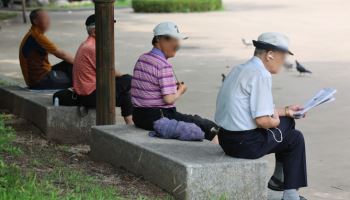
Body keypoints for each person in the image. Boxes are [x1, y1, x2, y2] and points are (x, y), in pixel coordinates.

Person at [215, 33, 307, 200]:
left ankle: (284, 185)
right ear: (270, 54)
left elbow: (254, 109)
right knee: (289, 127)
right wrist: (277, 121)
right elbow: (263, 120)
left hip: (225, 138)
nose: (284, 61)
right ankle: (281, 183)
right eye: (283, 56)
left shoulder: (240, 69)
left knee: (294, 137)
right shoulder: (261, 74)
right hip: (244, 144)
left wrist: (286, 110)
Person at [131, 22, 219, 142]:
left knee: (194, 120)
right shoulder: (163, 65)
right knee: (208, 126)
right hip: (159, 117)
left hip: (139, 117)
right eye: (174, 40)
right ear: (159, 40)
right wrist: (180, 91)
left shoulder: (143, 58)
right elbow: (169, 99)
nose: (177, 45)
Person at [73, 14, 133, 125]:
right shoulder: (93, 48)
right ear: (95, 32)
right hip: (90, 96)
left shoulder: (89, 44)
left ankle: (130, 124)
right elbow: (112, 72)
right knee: (129, 80)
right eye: (107, 27)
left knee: (125, 94)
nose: (111, 30)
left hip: (91, 92)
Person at [19, 9, 75, 89]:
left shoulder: (34, 33)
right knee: (74, 78)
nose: (49, 21)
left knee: (69, 64)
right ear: (35, 21)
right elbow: (61, 54)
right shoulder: (37, 37)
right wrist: (80, 64)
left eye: (48, 18)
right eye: (45, 18)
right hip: (39, 81)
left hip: (45, 71)